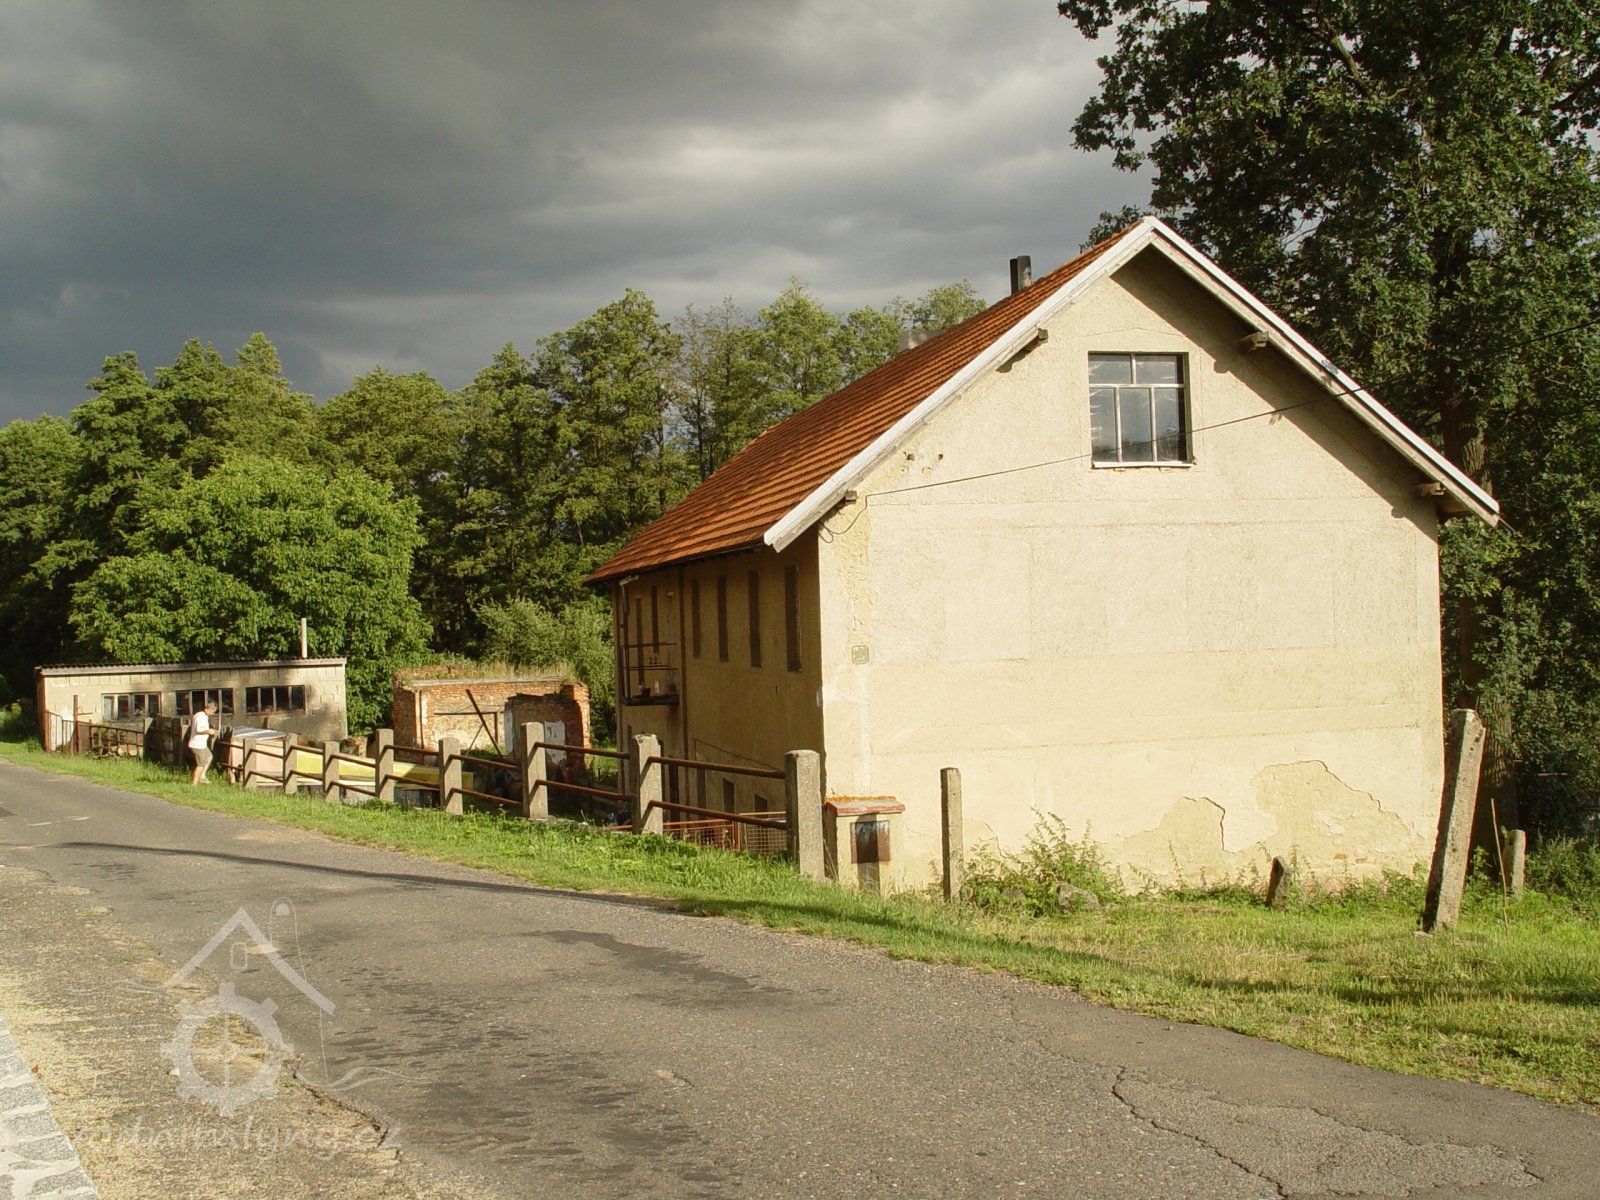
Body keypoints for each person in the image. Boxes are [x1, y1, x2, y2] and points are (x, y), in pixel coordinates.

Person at [188, 700, 218, 784]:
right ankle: (194, 783)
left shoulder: (202, 715)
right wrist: (209, 731)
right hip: (198, 744)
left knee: (209, 756)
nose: (213, 713)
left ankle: (202, 776)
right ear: (209, 709)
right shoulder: (201, 717)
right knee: (201, 764)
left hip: (202, 744)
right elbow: (198, 729)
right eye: (213, 711)